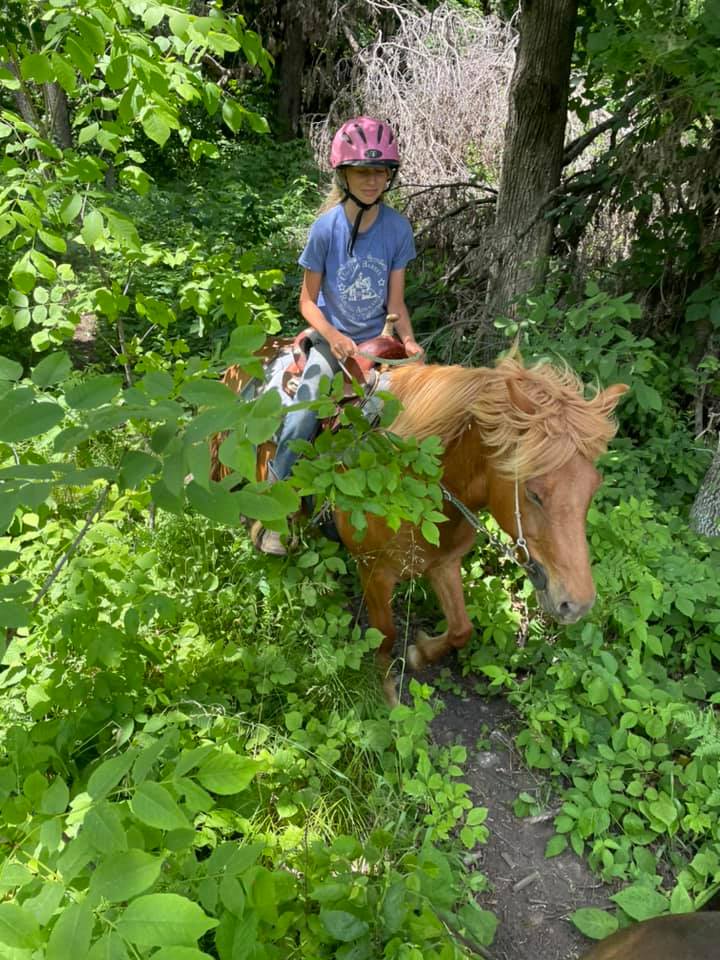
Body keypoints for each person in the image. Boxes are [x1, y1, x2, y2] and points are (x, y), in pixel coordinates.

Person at [257, 115, 424, 556]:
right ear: (343, 174)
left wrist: (408, 343)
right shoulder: (325, 229)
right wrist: (331, 337)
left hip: (378, 345)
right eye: (363, 171)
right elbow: (307, 302)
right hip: (333, 342)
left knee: (409, 421)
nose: (373, 180)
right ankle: (271, 513)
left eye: (381, 171)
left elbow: (396, 304)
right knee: (300, 418)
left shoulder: (397, 230)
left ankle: (380, 518)